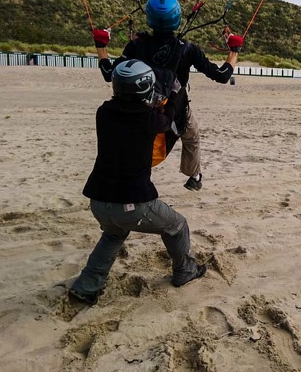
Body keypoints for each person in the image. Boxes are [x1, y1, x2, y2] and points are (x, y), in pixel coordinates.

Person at [69, 59, 207, 306]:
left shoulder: (104, 112)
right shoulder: (148, 120)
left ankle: (87, 286)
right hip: (132, 203)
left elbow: (133, 113)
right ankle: (186, 271)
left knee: (113, 234)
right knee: (177, 225)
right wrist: (175, 94)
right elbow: (168, 119)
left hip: (98, 202)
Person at [92, 0, 243, 191]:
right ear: (177, 18)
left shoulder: (136, 45)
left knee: (140, 144)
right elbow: (222, 75)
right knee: (192, 136)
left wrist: (101, 46)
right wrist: (234, 50)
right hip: (175, 109)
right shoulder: (187, 49)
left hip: (139, 107)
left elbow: (109, 73)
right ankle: (194, 176)